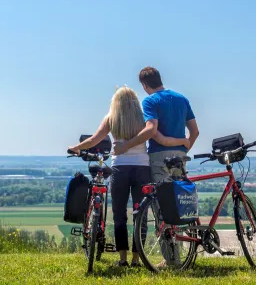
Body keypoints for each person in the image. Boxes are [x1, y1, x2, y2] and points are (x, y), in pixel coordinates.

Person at [67, 86, 189, 268]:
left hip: (120, 169)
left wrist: (76, 148)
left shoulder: (111, 118)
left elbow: (94, 139)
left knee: (119, 215)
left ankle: (123, 258)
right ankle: (136, 259)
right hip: (142, 169)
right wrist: (182, 141)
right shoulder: (143, 117)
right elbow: (158, 136)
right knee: (140, 215)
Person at [114, 66, 199, 183]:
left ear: (144, 85)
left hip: (159, 157)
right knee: (178, 191)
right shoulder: (182, 99)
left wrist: (125, 146)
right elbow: (195, 131)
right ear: (160, 79)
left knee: (161, 193)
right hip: (180, 156)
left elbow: (151, 129)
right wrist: (184, 148)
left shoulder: (150, 101)